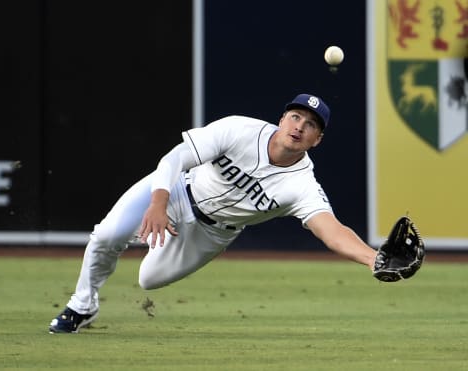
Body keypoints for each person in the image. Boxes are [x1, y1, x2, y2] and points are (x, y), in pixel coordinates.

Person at [49, 93, 377, 334]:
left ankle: (145, 236)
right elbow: (174, 159)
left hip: (213, 233)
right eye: (295, 117)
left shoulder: (302, 185)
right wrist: (159, 203)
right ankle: (82, 304)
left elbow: (332, 231)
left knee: (148, 279)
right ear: (282, 119)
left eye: (310, 125)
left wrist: (373, 260)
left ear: (317, 140)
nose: (299, 126)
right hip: (178, 189)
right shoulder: (239, 130)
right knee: (107, 235)